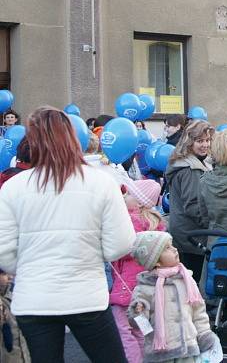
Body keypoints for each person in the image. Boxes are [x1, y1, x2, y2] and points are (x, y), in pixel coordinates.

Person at [0, 107, 135, 363]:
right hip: (85, 294)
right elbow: (121, 243)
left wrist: (30, 265)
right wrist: (91, 255)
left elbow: (4, 252)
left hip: (34, 296)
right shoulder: (101, 183)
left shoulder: (13, 188)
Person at [128, 231, 218, 360]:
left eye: (172, 245)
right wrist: (138, 313)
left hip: (188, 350)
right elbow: (141, 326)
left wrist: (204, 334)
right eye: (167, 248)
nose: (174, 249)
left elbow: (198, 311)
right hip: (161, 354)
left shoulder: (186, 279)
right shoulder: (144, 288)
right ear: (156, 261)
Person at [110, 180, 166, 363]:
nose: (124, 197)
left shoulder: (130, 222)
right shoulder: (155, 224)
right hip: (146, 286)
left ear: (139, 202)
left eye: (129, 195)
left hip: (127, 286)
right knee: (141, 329)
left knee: (123, 329)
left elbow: (122, 249)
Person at [164, 120, 214, 283]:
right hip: (191, 236)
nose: (205, 145)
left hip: (186, 233)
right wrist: (211, 226)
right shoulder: (189, 169)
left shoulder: (196, 162)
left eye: (207, 140)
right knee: (192, 283)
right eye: (200, 141)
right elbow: (194, 206)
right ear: (189, 142)